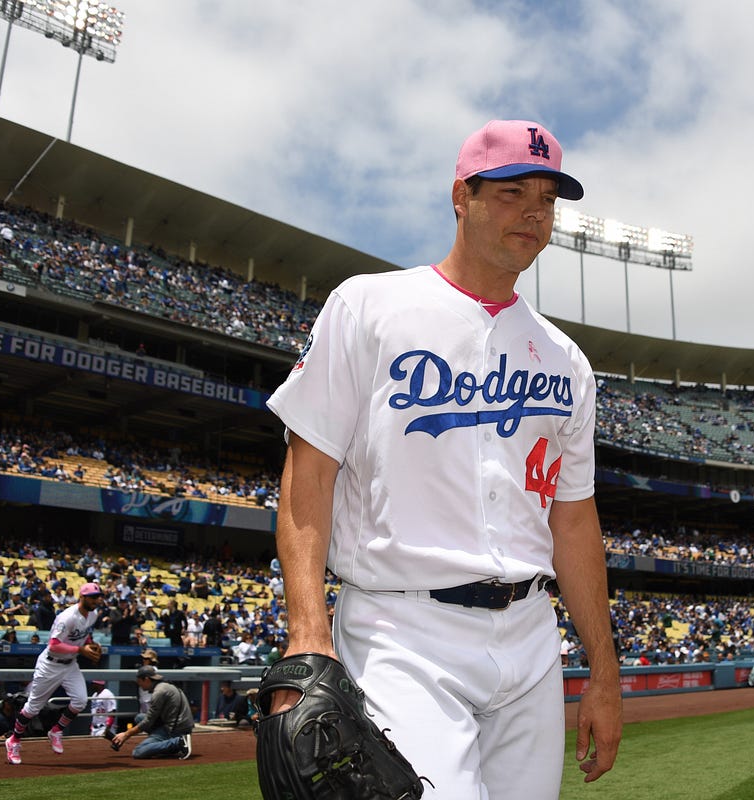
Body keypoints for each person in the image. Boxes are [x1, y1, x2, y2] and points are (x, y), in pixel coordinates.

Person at [265, 119, 622, 797]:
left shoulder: (567, 360)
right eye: (514, 191)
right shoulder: (370, 305)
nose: (534, 213)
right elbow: (306, 474)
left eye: (547, 200)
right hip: (404, 630)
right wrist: (308, 633)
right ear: (462, 195)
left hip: (531, 639)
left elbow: (573, 521)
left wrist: (603, 672)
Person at [3, 582, 105, 765]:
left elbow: (84, 635)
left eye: (99, 596)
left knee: (80, 701)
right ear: (82, 597)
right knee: (33, 707)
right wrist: (81, 650)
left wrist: (91, 644)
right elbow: (54, 644)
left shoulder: (93, 614)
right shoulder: (67, 617)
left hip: (70, 664)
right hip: (51, 664)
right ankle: (14, 740)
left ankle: (56, 730)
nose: (97, 600)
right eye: (93, 597)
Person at [110, 666, 193, 759]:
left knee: (138, 752)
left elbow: (148, 721)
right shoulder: (166, 686)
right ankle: (166, 744)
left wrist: (126, 735)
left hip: (175, 730)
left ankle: (178, 742)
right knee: (139, 717)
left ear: (146, 679)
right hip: (179, 725)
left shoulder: (159, 692)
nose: (139, 685)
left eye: (139, 681)